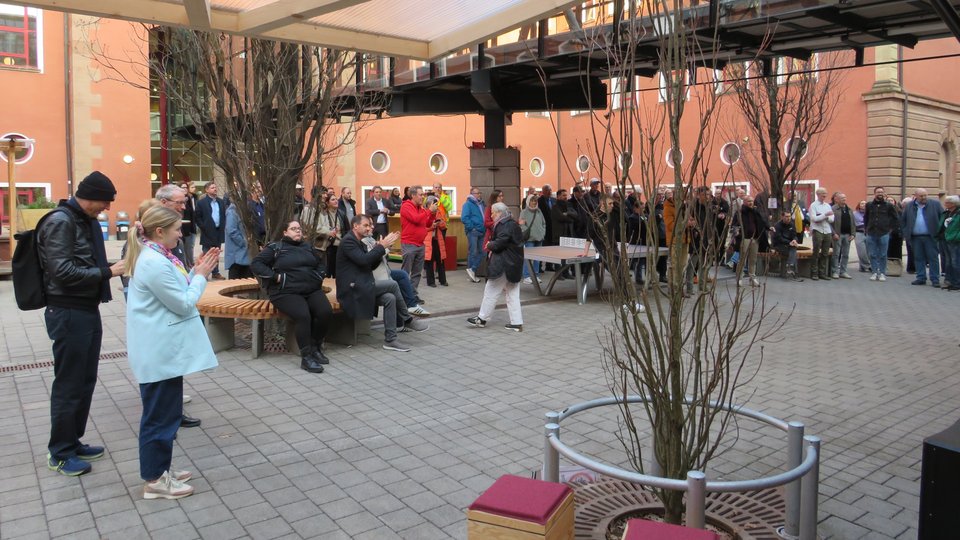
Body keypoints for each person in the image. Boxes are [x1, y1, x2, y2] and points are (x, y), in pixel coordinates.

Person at [124, 206, 220, 499]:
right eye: (177, 229)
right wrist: (202, 277)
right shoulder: (153, 262)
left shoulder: (159, 256)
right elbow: (182, 303)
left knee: (166, 413)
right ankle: (155, 479)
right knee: (160, 417)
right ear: (159, 232)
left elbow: (177, 288)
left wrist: (195, 270)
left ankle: (160, 468)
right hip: (159, 352)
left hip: (163, 351)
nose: (182, 234)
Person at [38, 172, 126, 477]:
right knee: (69, 383)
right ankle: (59, 453)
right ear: (89, 196)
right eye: (104, 202)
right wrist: (109, 272)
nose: (106, 209)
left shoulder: (81, 220)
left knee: (85, 380)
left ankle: (72, 441)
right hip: (68, 311)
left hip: (85, 309)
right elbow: (61, 271)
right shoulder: (61, 222)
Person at [251, 220, 333, 373]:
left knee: (325, 312)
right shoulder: (276, 248)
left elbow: (320, 263)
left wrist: (319, 275)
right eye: (293, 229)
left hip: (311, 289)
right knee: (303, 316)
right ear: (285, 232)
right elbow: (256, 264)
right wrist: (276, 277)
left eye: (299, 229)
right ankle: (306, 357)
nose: (298, 232)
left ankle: (315, 347)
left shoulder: (307, 247)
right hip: (285, 292)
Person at [337, 215, 428, 352]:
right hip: (352, 289)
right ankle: (407, 320)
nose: (369, 228)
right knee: (392, 284)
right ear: (355, 226)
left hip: (362, 285)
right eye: (366, 225)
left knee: (389, 298)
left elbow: (369, 265)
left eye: (369, 225)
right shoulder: (348, 241)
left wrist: (381, 250)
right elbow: (363, 260)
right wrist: (380, 247)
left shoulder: (359, 241)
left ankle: (390, 340)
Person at [467, 202, 525, 331]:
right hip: (513, 264)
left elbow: (500, 243)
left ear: (499, 213)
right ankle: (516, 322)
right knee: (512, 293)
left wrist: (490, 245)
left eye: (493, 213)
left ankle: (482, 318)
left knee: (491, 291)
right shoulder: (511, 223)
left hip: (504, 264)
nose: (491, 215)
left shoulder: (505, 225)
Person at [901, 188, 944, 286]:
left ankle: (935, 279)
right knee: (918, 258)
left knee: (933, 258)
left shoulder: (935, 204)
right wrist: (906, 232)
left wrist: (940, 232)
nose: (924, 197)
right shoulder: (910, 206)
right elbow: (903, 220)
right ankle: (921, 277)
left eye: (925, 195)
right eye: (921, 196)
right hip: (915, 237)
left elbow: (943, 217)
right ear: (915, 196)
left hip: (931, 237)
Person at [400, 186, 438, 295]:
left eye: (423, 195)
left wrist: (432, 214)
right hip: (409, 244)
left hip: (420, 244)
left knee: (417, 273)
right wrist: (428, 211)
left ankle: (413, 295)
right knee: (405, 273)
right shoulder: (406, 206)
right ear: (413, 195)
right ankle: (403, 296)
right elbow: (416, 219)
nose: (423, 197)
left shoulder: (421, 208)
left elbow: (426, 223)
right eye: (420, 195)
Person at [737, 195, 774, 287]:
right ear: (744, 202)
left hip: (755, 238)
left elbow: (763, 221)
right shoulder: (740, 212)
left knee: (753, 260)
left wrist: (769, 227)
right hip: (744, 238)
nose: (751, 203)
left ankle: (752, 278)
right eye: (749, 201)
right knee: (742, 259)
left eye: (752, 201)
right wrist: (737, 232)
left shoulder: (756, 212)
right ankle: (739, 278)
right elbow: (735, 224)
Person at [864, 186, 899, 282]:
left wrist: (891, 229)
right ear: (874, 193)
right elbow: (866, 217)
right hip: (871, 232)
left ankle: (882, 273)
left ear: (884, 194)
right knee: (872, 254)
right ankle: (875, 272)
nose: (880, 193)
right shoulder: (869, 205)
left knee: (883, 254)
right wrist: (866, 229)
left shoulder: (889, 206)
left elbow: (895, 218)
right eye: (878, 192)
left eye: (881, 192)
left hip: (884, 233)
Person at [194, 181, 226, 279]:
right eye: (212, 188)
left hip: (218, 231)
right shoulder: (201, 203)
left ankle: (216, 272)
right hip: (207, 232)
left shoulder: (221, 202)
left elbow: (223, 215)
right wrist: (204, 227)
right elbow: (197, 217)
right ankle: (205, 273)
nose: (215, 189)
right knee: (207, 253)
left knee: (216, 253)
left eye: (215, 187)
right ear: (207, 190)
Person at [808, 187, 835, 281]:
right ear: (818, 194)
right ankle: (814, 273)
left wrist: (825, 217)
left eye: (826, 193)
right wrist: (825, 215)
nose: (825, 195)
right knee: (816, 252)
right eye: (823, 193)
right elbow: (814, 219)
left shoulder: (827, 206)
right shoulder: (813, 205)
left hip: (827, 230)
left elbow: (832, 219)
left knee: (825, 252)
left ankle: (822, 273)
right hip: (817, 230)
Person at [519, 194, 546, 284]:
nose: (534, 202)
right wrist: (528, 232)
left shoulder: (539, 211)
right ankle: (527, 276)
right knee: (528, 258)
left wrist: (543, 232)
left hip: (539, 238)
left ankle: (536, 275)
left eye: (535, 201)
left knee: (537, 258)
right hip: (529, 239)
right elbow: (521, 224)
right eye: (532, 200)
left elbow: (543, 223)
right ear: (528, 201)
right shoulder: (524, 212)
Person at [423, 195, 448, 287]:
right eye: (434, 203)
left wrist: (440, 223)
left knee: (440, 260)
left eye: (436, 203)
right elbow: (423, 228)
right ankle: (431, 282)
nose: (436, 205)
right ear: (429, 204)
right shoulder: (424, 212)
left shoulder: (439, 212)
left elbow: (444, 226)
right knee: (429, 261)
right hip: (428, 240)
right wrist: (432, 226)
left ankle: (443, 280)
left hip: (437, 239)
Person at [462, 186, 485, 283]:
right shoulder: (468, 204)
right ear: (472, 194)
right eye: (477, 193)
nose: (479, 195)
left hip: (482, 231)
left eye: (480, 193)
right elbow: (464, 218)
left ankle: (472, 269)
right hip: (473, 231)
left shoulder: (481, 204)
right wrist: (472, 227)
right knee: (473, 252)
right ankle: (472, 274)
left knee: (483, 252)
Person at [772, 210, 803, 281]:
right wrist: (789, 242)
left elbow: (795, 235)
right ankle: (794, 273)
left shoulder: (792, 224)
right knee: (793, 252)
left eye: (789, 216)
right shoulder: (777, 225)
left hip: (789, 245)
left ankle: (790, 267)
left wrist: (794, 240)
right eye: (786, 216)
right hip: (779, 245)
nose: (788, 218)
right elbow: (778, 238)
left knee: (793, 249)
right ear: (782, 217)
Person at [830, 192, 856, 279]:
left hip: (848, 235)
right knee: (836, 254)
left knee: (846, 254)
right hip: (838, 235)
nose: (844, 200)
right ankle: (834, 271)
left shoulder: (849, 209)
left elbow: (853, 222)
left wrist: (853, 234)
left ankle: (843, 271)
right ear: (837, 199)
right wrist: (833, 233)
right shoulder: (833, 209)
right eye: (842, 198)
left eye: (845, 198)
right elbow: (829, 223)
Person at [224, 201, 252, 279]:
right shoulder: (232, 212)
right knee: (235, 282)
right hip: (236, 255)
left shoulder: (244, 210)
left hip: (245, 255)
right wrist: (244, 242)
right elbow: (231, 231)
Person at [937, 195, 960, 290]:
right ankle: (949, 280)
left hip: (955, 240)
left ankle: (957, 282)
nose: (945, 204)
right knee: (948, 262)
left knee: (955, 262)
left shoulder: (958, 214)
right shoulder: (946, 213)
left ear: (953, 204)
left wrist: (956, 237)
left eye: (947, 202)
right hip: (944, 239)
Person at [317, 192, 342, 278]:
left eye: (336, 199)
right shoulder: (323, 214)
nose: (336, 201)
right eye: (333, 199)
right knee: (327, 271)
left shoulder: (341, 214)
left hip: (339, 244)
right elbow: (319, 228)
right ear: (327, 203)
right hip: (326, 245)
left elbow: (345, 228)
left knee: (337, 271)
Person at [179, 180, 197, 268]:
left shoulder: (189, 199)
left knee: (190, 247)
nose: (185, 189)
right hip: (182, 228)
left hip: (191, 227)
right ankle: (187, 265)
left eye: (186, 187)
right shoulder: (178, 200)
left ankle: (190, 264)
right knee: (185, 248)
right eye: (183, 187)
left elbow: (192, 214)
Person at [853, 200, 870, 272]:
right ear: (859, 205)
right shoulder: (854, 214)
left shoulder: (870, 214)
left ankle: (862, 267)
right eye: (862, 203)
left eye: (865, 204)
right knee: (861, 251)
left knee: (868, 251)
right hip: (859, 233)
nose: (863, 205)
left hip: (868, 233)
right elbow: (855, 223)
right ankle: (868, 265)